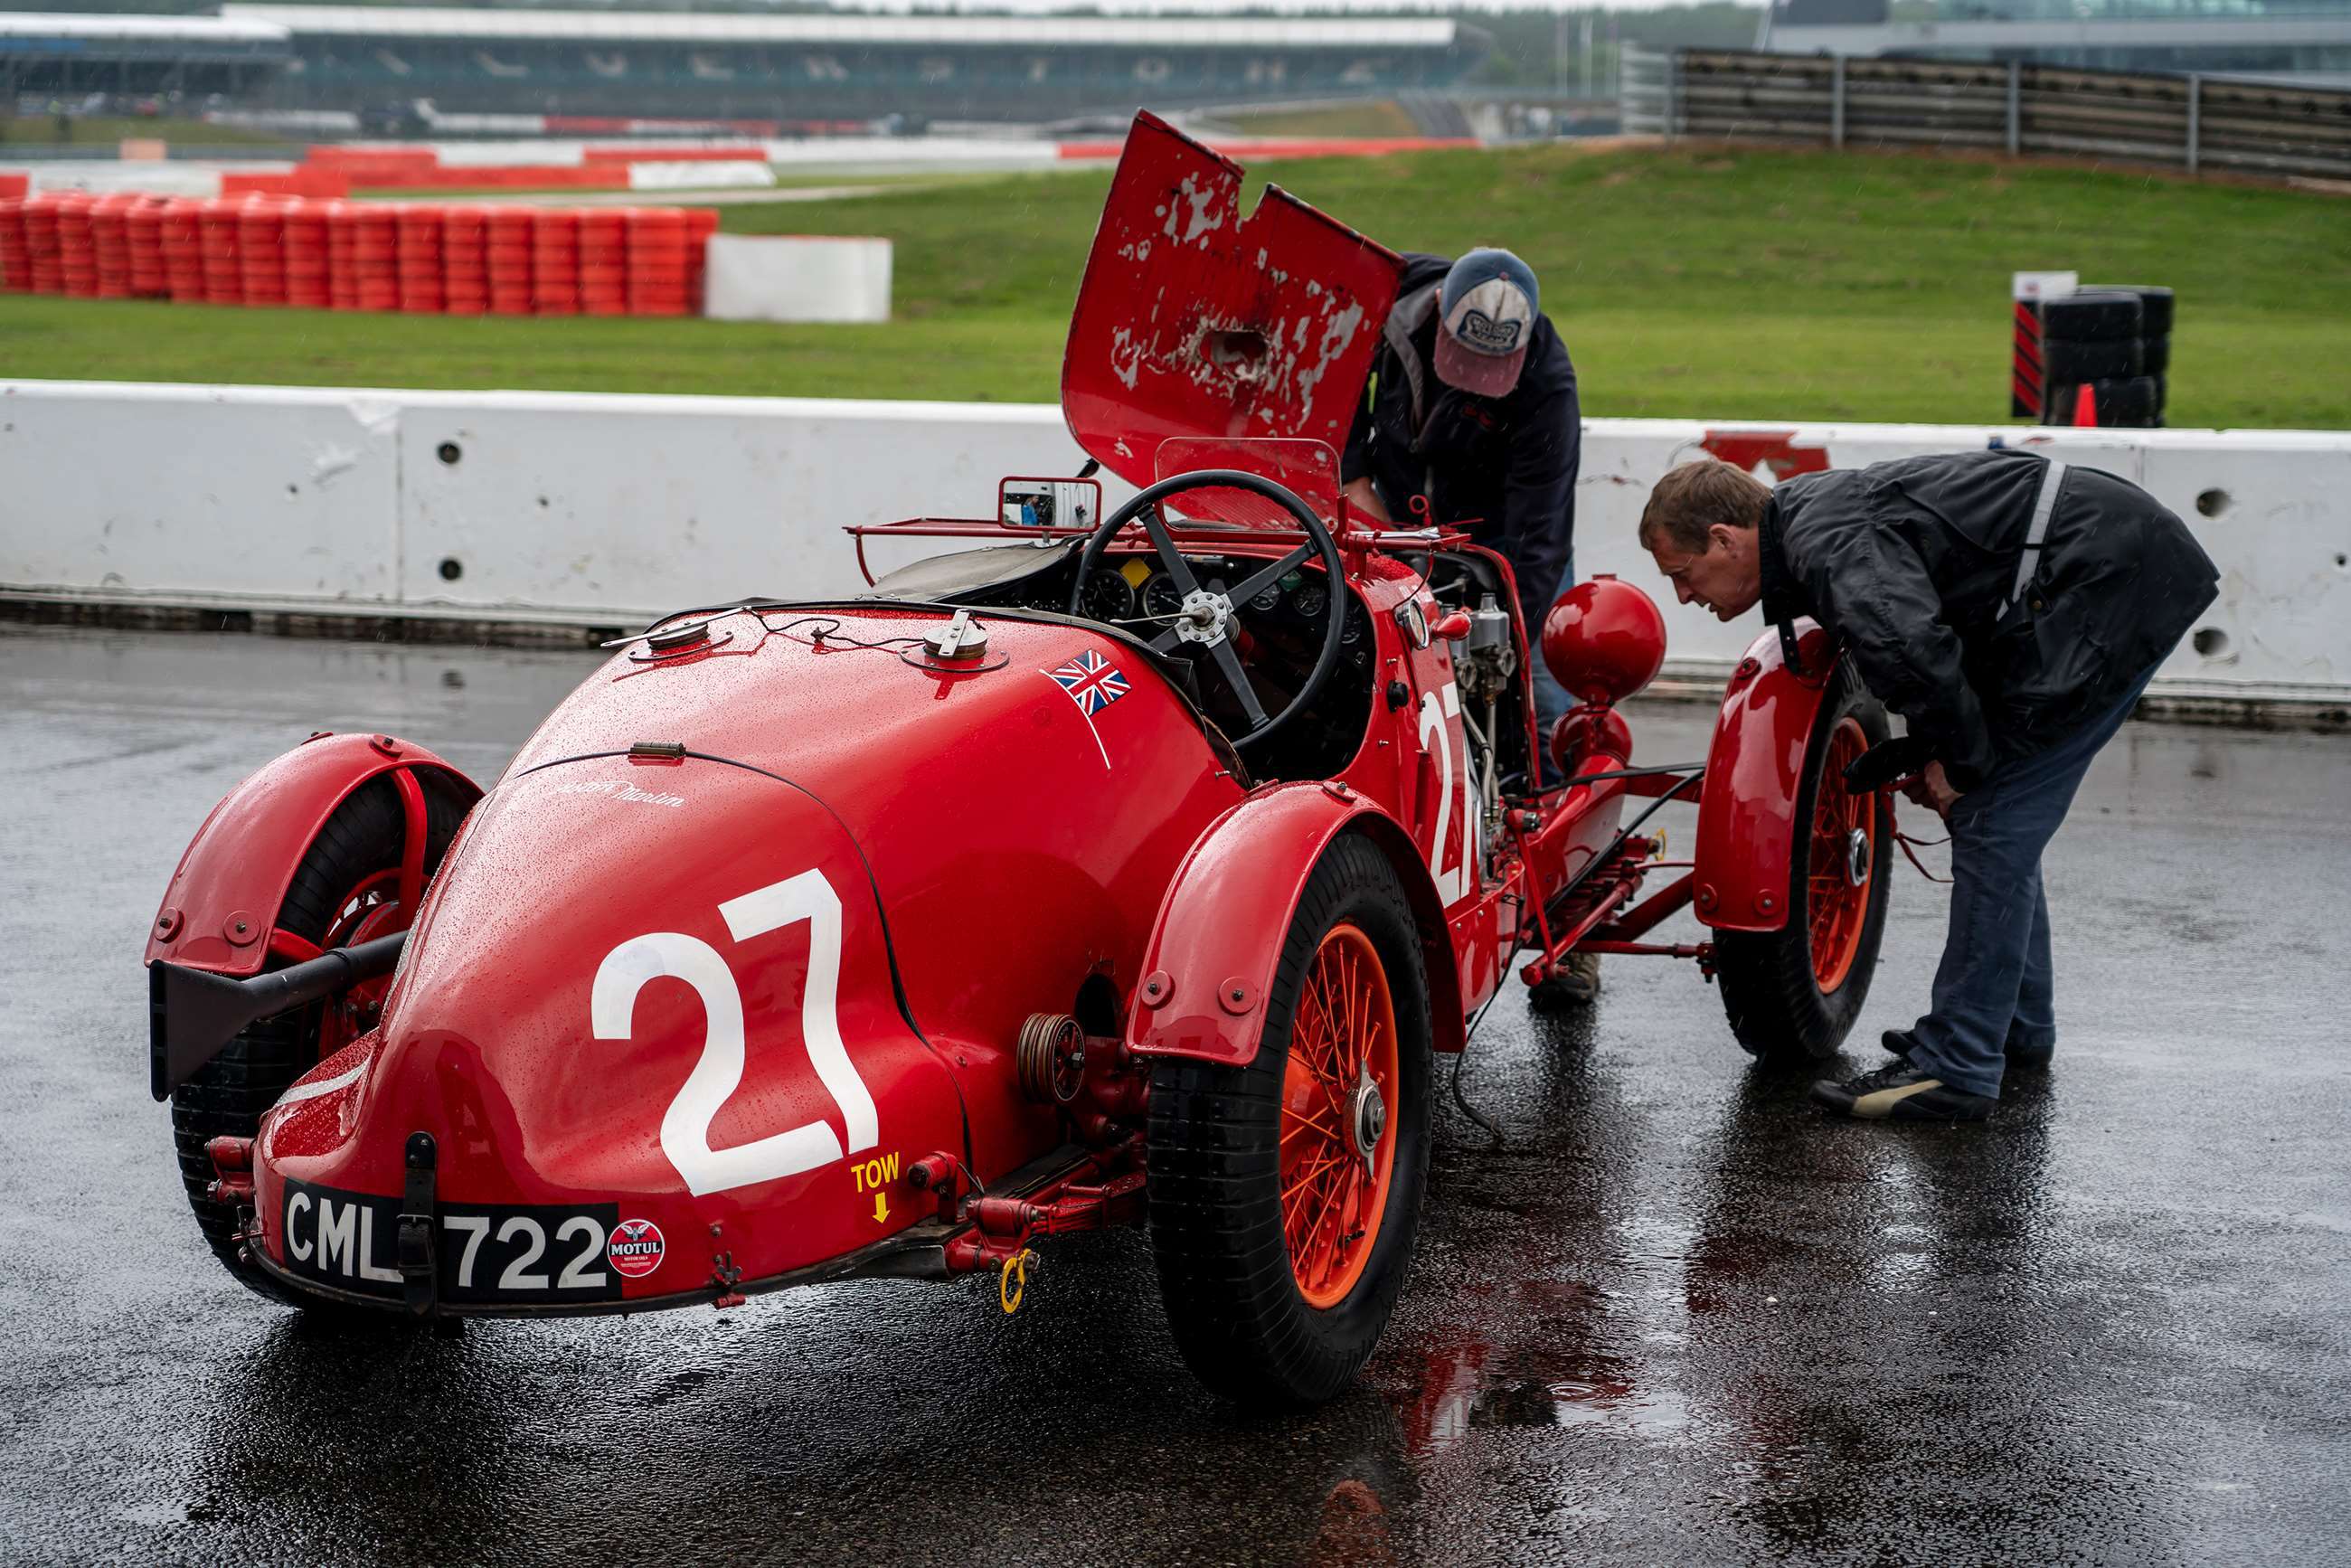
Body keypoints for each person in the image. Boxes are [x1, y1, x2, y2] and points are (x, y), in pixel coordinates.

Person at [1638, 450, 2217, 1120]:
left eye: (1683, 575)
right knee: (2001, 813)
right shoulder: (1813, 521)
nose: (1683, 595)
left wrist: (1954, 764)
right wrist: (1940, 752)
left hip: (2108, 576)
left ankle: (1959, 1063)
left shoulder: (1824, 542)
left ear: (1724, 539)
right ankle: (2011, 1029)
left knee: (1992, 813)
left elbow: (1913, 647)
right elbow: (1923, 633)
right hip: (2100, 561)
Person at [1340, 248, 1595, 1001]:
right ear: (1440, 317)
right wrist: (1355, 481)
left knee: (1545, 717)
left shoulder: (1547, 383)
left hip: (1497, 547)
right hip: (1385, 521)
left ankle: (1570, 929)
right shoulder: (1386, 308)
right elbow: (1336, 397)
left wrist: (1512, 631)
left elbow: (1542, 535)